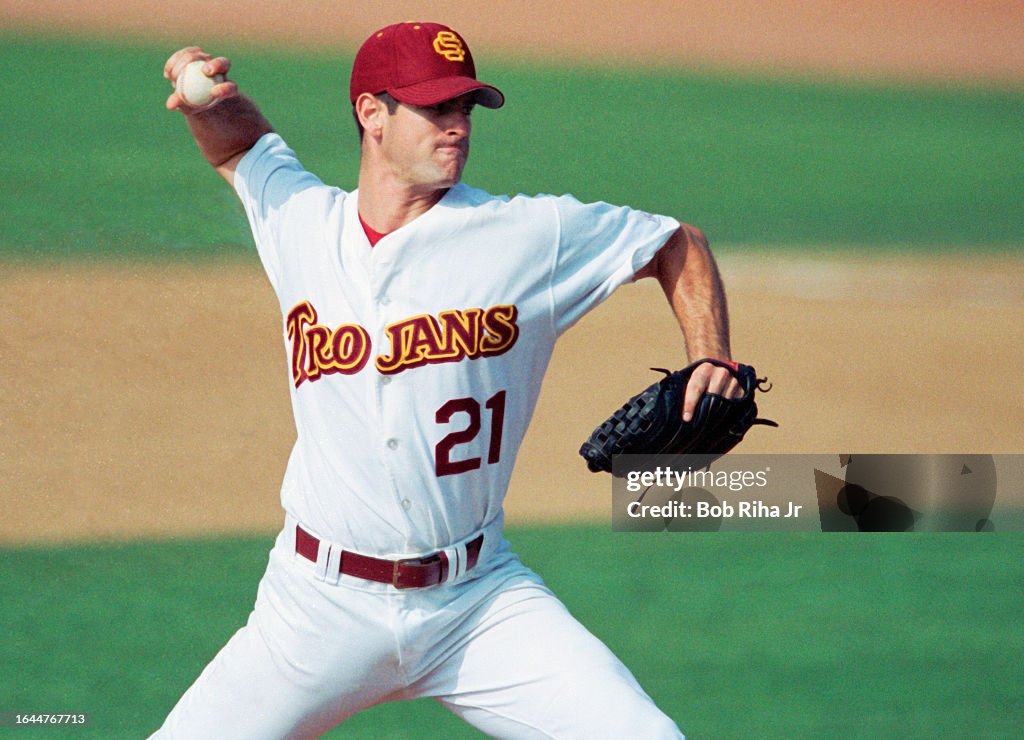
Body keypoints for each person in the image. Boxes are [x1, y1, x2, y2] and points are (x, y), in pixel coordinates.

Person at [155, 21, 741, 739]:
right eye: (436, 108)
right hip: (314, 609)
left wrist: (713, 355)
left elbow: (676, 241)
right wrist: (207, 99)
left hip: (478, 603)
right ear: (373, 113)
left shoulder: (527, 233)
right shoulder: (302, 223)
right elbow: (244, 147)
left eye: (465, 108)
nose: (457, 127)